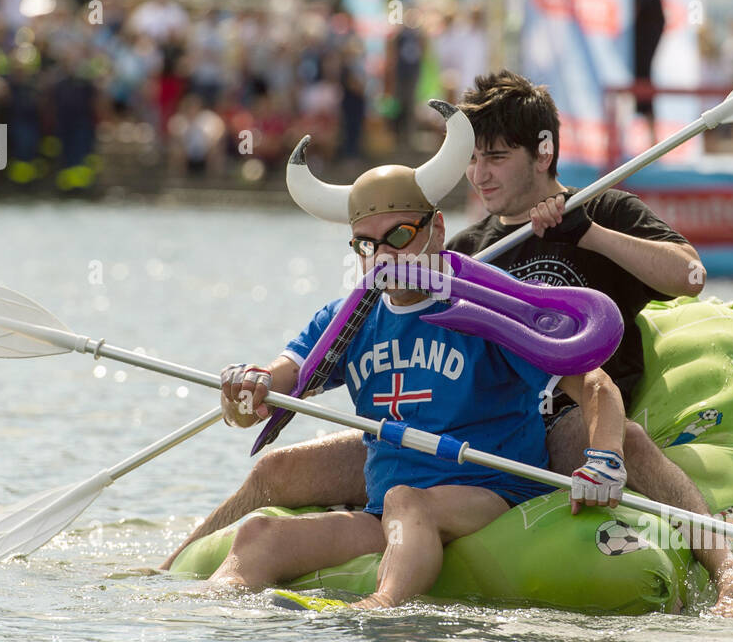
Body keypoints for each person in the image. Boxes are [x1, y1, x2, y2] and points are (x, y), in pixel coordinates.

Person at [162, 83, 733, 616]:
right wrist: (249, 390)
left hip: (527, 440)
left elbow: (684, 281)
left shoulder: (564, 234)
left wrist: (586, 233)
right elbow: (286, 377)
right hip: (415, 440)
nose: (480, 174)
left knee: (607, 444)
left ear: (542, 152)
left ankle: (726, 566)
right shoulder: (465, 255)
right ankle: (170, 575)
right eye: (472, 159)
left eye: (495, 157)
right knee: (279, 480)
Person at [201, 106, 628, 609]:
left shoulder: (489, 304)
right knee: (259, 535)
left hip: (489, 493)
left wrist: (605, 462)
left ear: (437, 229)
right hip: (389, 509)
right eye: (367, 244)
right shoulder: (347, 319)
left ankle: (382, 608)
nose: (384, 258)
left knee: (408, 500)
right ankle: (201, 617)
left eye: (400, 237)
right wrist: (247, 390)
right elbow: (277, 385)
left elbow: (597, 387)